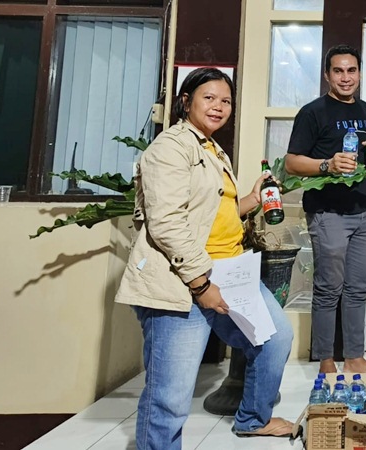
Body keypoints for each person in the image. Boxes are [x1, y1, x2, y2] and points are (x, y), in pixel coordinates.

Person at [115, 67, 295, 449]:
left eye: (225, 100)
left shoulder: (210, 147)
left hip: (230, 273)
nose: (218, 106)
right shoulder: (170, 147)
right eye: (209, 98)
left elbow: (214, 212)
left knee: (275, 338)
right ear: (186, 101)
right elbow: (166, 224)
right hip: (183, 282)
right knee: (171, 395)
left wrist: (251, 198)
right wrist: (201, 284)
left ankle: (252, 419)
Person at [285, 44, 366, 382]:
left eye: (351, 71)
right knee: (328, 287)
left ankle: (354, 358)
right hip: (328, 212)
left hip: (363, 210)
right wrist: (327, 163)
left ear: (360, 74)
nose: (346, 77)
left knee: (358, 288)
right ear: (327, 75)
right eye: (338, 71)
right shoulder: (313, 112)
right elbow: (293, 162)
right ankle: (325, 360)